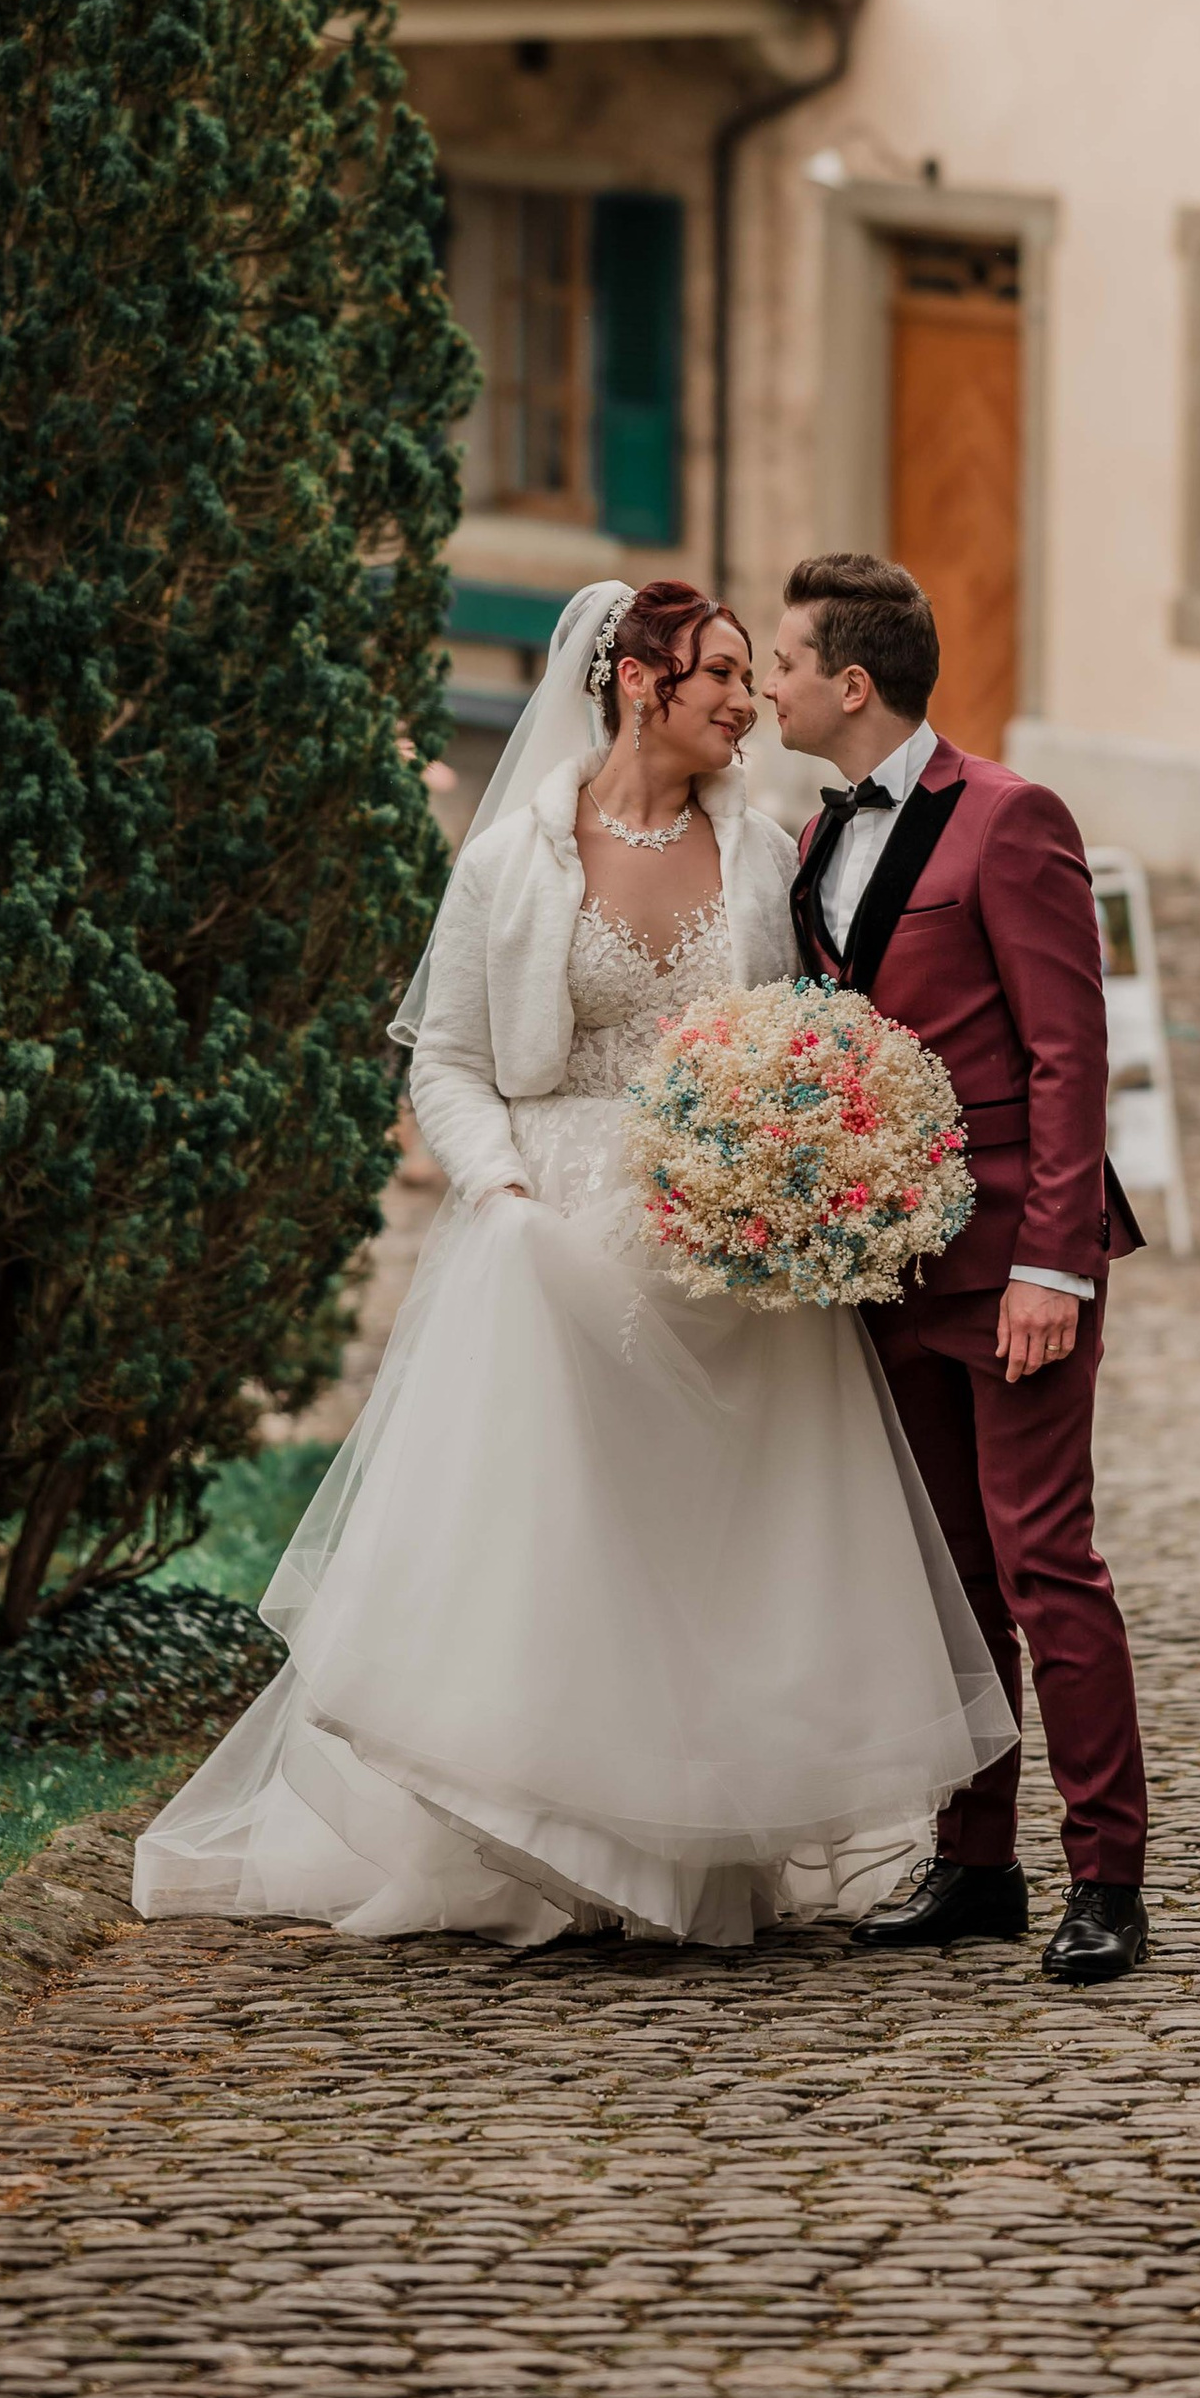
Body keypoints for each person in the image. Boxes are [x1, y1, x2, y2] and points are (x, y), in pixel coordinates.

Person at [132, 579, 1014, 1950]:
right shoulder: (514, 862)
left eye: (750, 670)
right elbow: (449, 1062)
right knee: (566, 1553)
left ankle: (709, 1847)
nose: (746, 699)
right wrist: (501, 1195)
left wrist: (802, 1172)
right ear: (639, 685)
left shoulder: (765, 852)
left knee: (723, 1551)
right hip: (552, 1245)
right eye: (720, 673)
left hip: (726, 1257)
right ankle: (563, 1843)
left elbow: (797, 1038)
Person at [766, 552, 1152, 1985]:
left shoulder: (1011, 820)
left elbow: (1070, 1053)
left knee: (1049, 1564)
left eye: (787, 667)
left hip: (1013, 1273)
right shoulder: (814, 844)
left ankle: (1110, 1877)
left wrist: (1057, 1265)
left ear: (852, 685)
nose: (770, 692)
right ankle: (975, 1862)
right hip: (889, 1269)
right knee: (951, 1576)